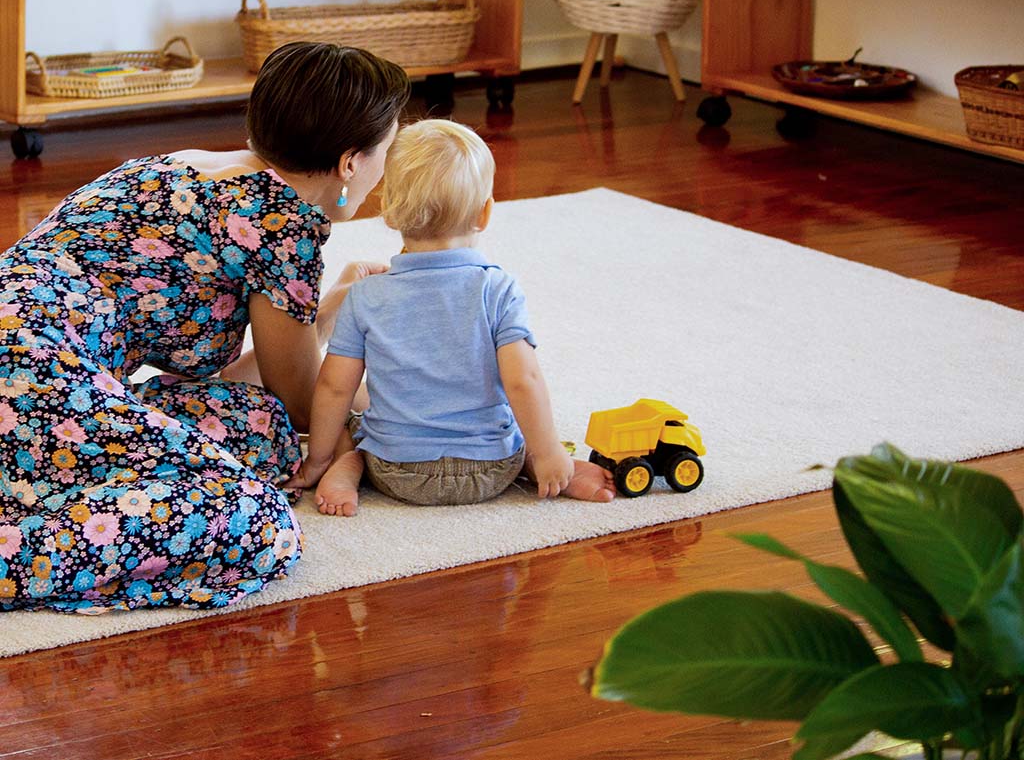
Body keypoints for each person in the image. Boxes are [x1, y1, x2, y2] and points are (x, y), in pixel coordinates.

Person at [0, 42, 408, 611]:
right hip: (28, 377)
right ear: (350, 162)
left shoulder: (190, 164)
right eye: (387, 149)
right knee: (259, 521)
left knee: (263, 431)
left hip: (39, 372)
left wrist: (327, 308)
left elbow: (265, 388)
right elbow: (303, 403)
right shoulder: (283, 223)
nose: (386, 168)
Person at [285, 118, 615, 515]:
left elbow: (335, 389)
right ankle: (539, 466)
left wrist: (317, 458)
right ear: (485, 213)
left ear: (389, 214)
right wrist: (546, 451)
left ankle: (346, 465)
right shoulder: (497, 290)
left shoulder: (365, 296)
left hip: (396, 469)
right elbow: (522, 380)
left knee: (354, 423)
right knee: (512, 429)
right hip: (492, 467)